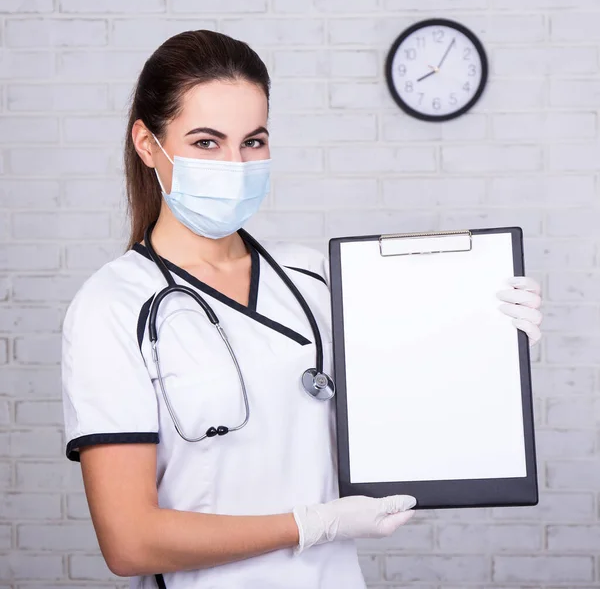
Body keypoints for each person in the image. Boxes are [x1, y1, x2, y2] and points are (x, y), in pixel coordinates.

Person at [61, 30, 543, 589]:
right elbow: (130, 542)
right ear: (148, 145)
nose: (237, 163)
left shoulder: (310, 278)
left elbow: (396, 420)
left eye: (254, 141)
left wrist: (484, 350)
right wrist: (310, 525)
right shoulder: (113, 305)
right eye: (206, 143)